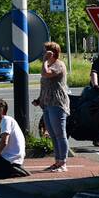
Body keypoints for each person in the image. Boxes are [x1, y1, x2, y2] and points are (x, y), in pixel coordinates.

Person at [38, 41, 70, 172]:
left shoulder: (59, 65)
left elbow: (46, 74)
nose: (42, 54)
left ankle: (63, 162)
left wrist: (45, 60)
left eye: (45, 51)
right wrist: (39, 99)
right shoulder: (48, 64)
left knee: (60, 134)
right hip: (47, 104)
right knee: (52, 134)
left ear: (52, 53)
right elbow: (44, 84)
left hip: (57, 103)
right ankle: (57, 161)